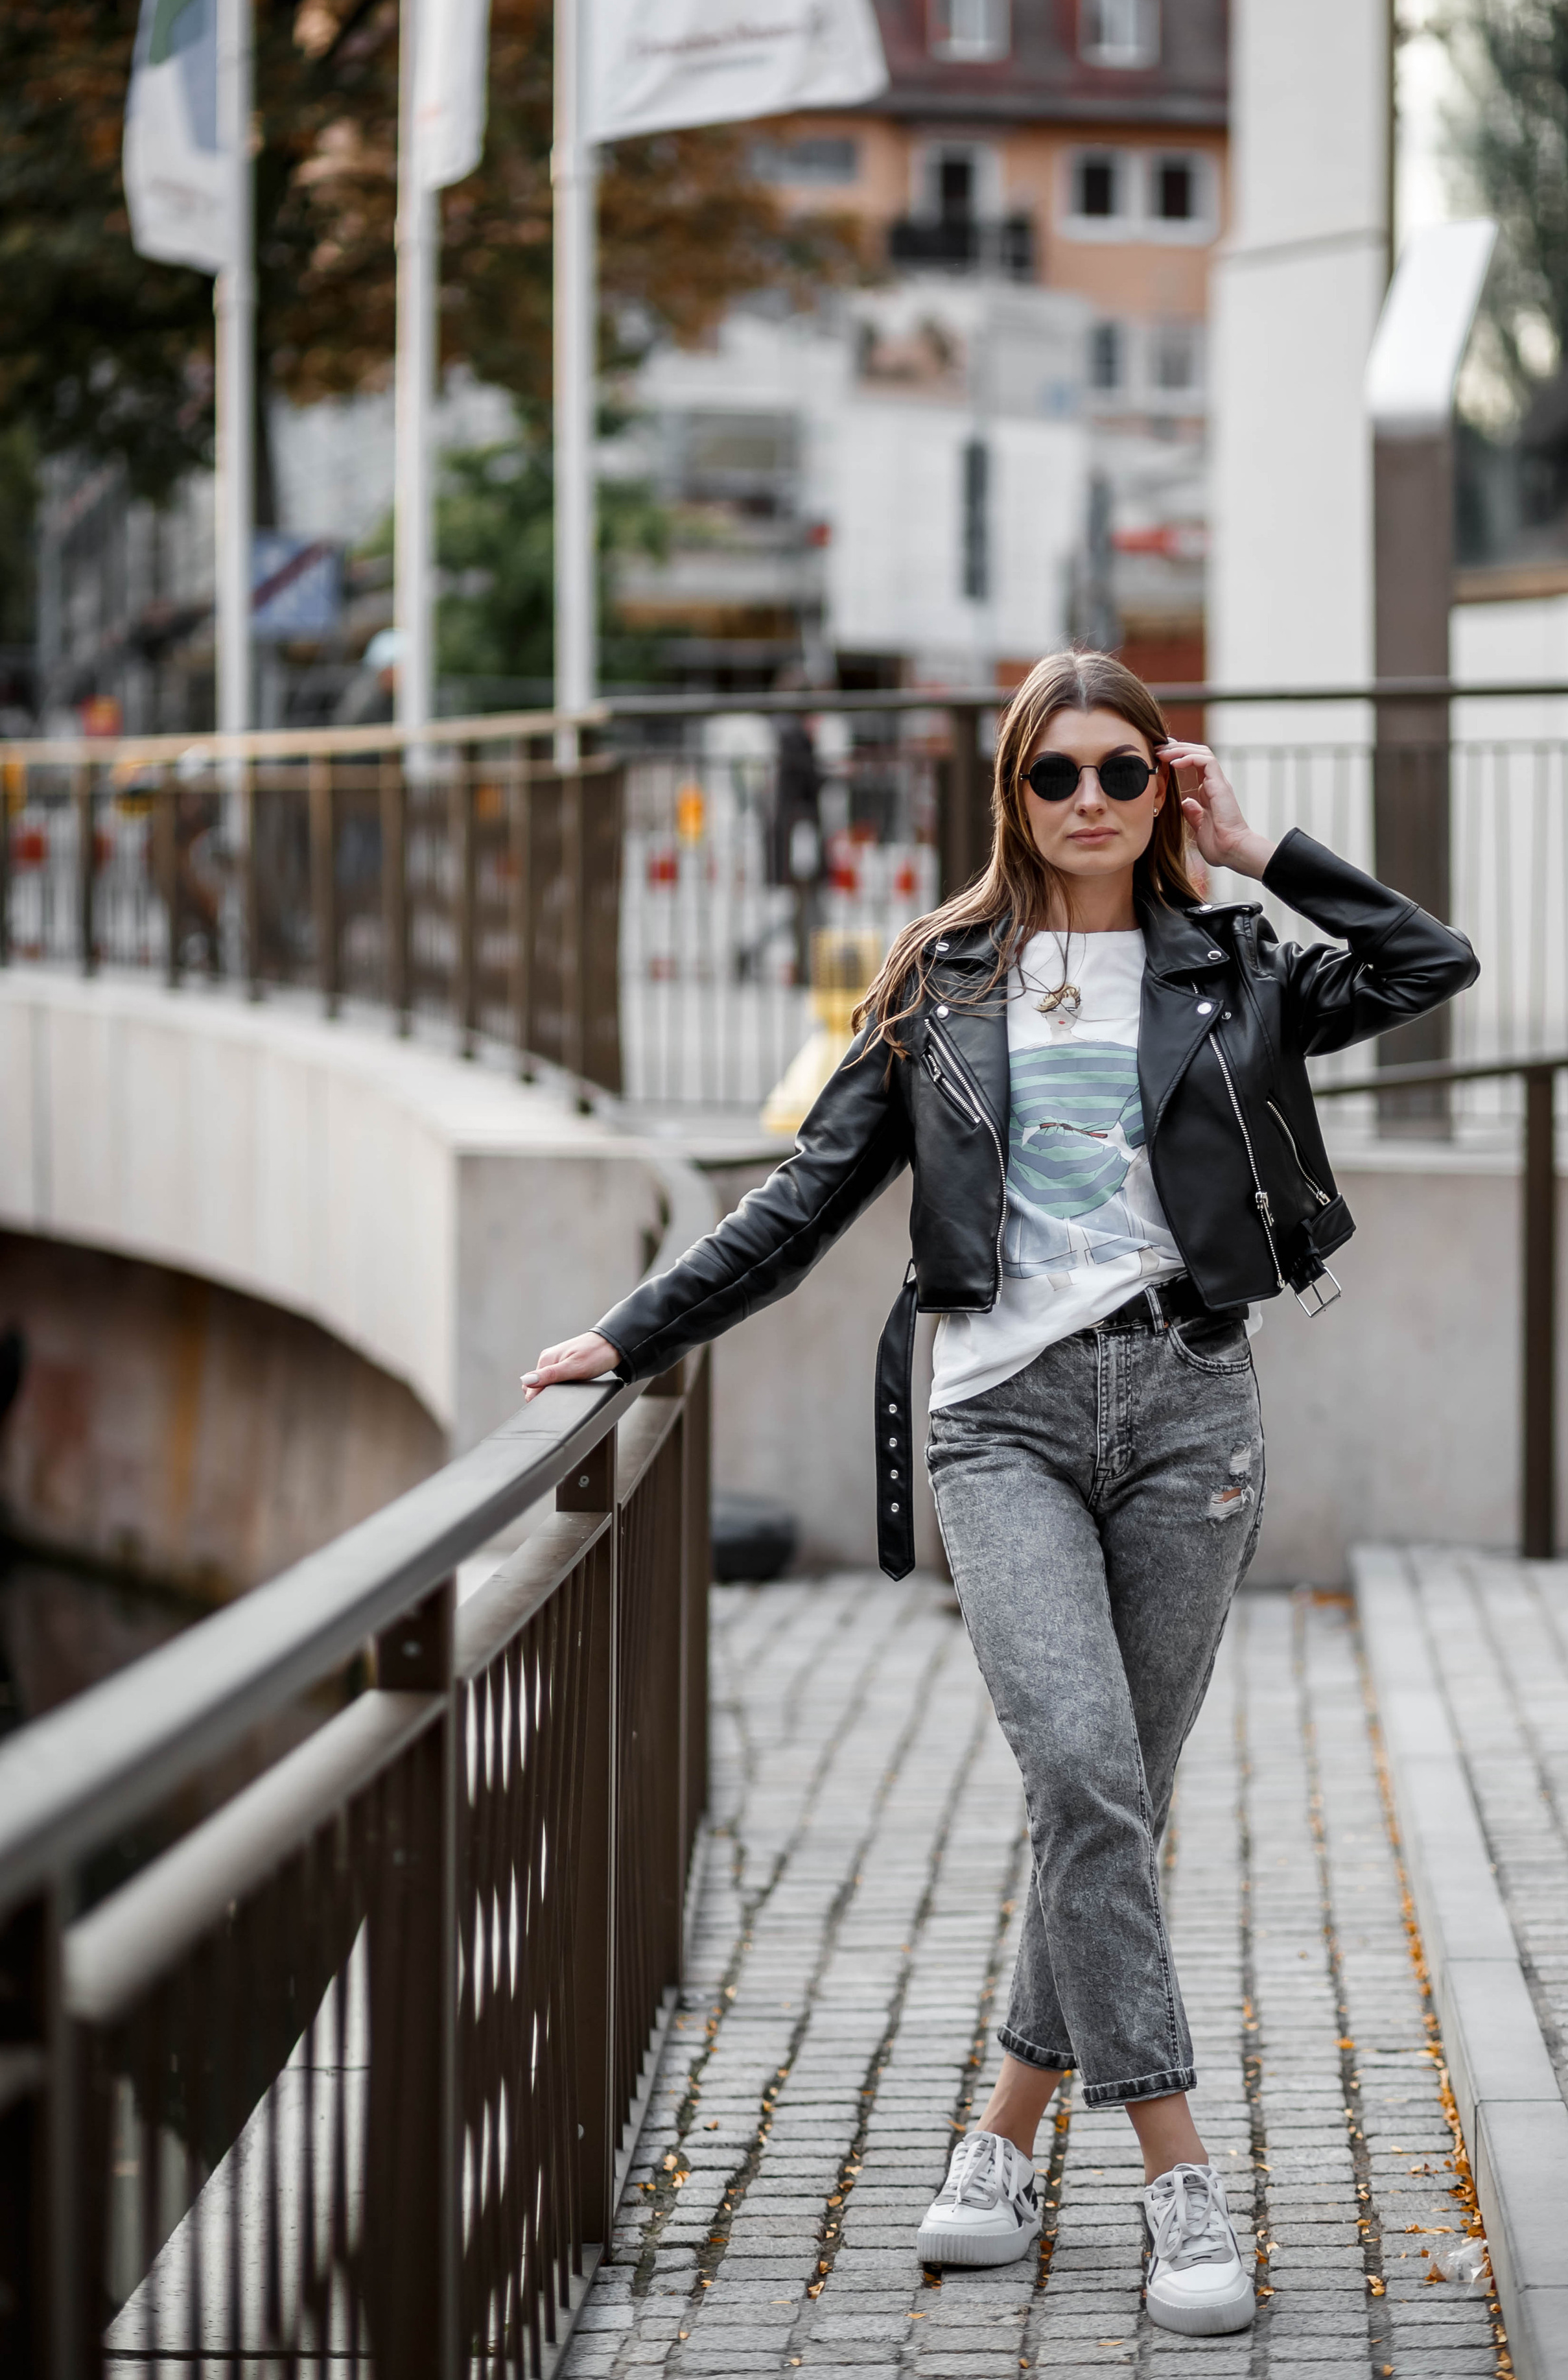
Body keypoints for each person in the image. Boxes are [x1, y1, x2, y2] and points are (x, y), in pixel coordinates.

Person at [521, 650, 1477, 2337]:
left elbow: (1428, 961)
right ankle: (1183, 2175)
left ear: (1161, 788)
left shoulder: (1228, 964)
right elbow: (802, 1205)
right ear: (1013, 794)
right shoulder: (940, 982)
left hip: (1193, 1412)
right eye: (1060, 777)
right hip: (1002, 1422)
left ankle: (1003, 2140)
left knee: (1105, 1805)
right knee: (1089, 1775)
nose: (1093, 804)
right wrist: (627, 1331)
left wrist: (1262, 856)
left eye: (1126, 773)